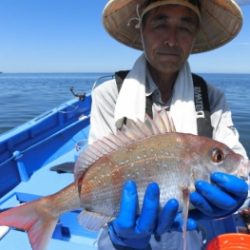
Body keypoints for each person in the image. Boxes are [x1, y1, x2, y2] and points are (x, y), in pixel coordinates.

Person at [88, 0, 249, 249]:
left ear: (195, 35)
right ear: (141, 29)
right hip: (123, 232)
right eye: (160, 24)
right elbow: (96, 169)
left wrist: (235, 201)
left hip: (190, 230)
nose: (172, 40)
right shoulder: (108, 94)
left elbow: (239, 167)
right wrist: (120, 234)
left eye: (185, 27)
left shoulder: (212, 98)